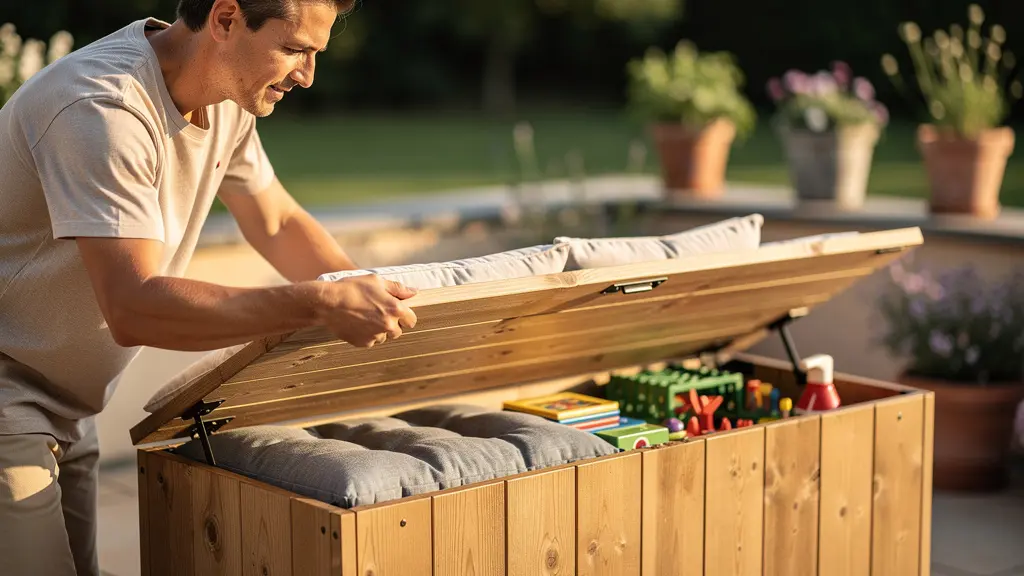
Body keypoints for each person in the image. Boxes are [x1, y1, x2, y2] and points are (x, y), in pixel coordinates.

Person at [0, 1, 419, 574]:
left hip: (67, 402)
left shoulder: (226, 100)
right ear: (225, 20)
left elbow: (275, 221)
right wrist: (318, 306)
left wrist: (368, 293)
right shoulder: (103, 105)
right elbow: (135, 306)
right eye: (295, 49)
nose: (307, 75)